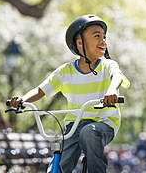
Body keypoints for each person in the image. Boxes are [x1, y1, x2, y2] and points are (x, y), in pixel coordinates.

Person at [9, 14, 130, 173]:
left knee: (89, 132)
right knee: (60, 162)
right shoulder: (66, 71)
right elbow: (41, 90)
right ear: (80, 43)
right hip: (74, 126)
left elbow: (117, 77)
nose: (103, 41)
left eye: (104, 37)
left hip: (104, 122)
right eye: (97, 36)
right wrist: (23, 100)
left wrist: (111, 90)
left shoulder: (107, 65)